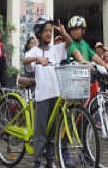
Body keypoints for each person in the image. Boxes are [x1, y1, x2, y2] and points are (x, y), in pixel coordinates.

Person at [23, 15, 72, 168]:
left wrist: (63, 33)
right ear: (38, 33)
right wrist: (38, 59)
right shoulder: (34, 50)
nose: (48, 34)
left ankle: (50, 161)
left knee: (53, 132)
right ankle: (38, 163)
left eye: (50, 31)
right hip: (42, 96)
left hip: (56, 96)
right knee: (40, 132)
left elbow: (69, 43)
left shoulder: (56, 50)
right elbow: (25, 60)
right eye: (45, 31)